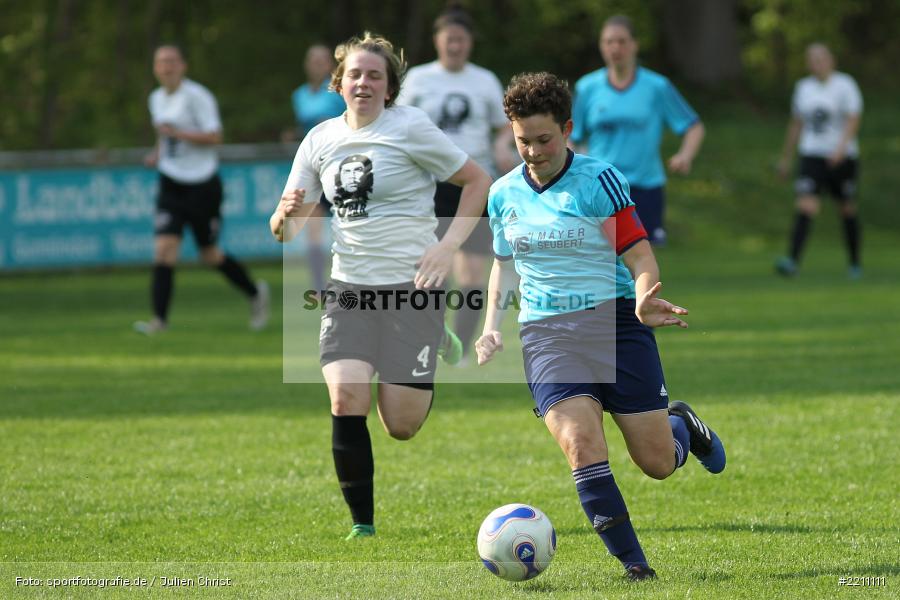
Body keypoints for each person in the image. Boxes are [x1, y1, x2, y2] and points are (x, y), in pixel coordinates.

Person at [475, 72, 725, 581]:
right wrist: (491, 324)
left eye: (544, 140)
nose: (533, 151)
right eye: (523, 140)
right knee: (582, 445)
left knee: (655, 462)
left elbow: (639, 254)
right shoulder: (502, 194)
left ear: (567, 129)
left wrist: (643, 297)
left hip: (615, 322)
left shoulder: (599, 180)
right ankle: (637, 569)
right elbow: (503, 261)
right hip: (547, 333)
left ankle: (684, 427)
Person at [269, 32, 491, 540]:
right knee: (346, 397)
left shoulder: (411, 128)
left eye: (375, 76)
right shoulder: (318, 141)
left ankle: (435, 336)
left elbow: (478, 181)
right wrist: (283, 216)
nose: (364, 83)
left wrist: (447, 246)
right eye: (355, 75)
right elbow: (286, 230)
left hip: (412, 288)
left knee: (401, 425)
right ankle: (362, 525)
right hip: (348, 288)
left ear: (390, 87)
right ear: (338, 82)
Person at [396, 4, 517, 360]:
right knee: (432, 268)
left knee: (474, 271)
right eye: (449, 39)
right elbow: (397, 121)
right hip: (429, 185)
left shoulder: (484, 80)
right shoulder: (418, 79)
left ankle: (462, 350)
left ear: (470, 43)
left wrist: (501, 143)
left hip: (475, 183)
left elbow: (505, 123)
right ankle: (429, 343)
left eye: (461, 40)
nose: (455, 46)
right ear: (437, 41)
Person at [135, 45, 269, 335]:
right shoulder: (156, 98)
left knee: (209, 254)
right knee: (163, 250)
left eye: (172, 61)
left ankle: (255, 293)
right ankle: (159, 321)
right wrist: (157, 154)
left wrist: (179, 134)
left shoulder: (198, 96)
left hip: (202, 185)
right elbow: (164, 136)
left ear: (183, 65)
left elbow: (215, 136)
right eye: (161, 62)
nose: (166, 67)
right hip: (171, 183)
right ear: (155, 68)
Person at [571, 15, 705, 247]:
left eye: (622, 41)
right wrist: (572, 173)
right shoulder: (587, 88)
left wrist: (685, 155)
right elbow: (571, 136)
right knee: (604, 260)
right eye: (609, 41)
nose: (615, 48)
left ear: (634, 44)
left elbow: (694, 126)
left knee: (643, 260)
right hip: (601, 187)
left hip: (645, 187)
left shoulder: (656, 86)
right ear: (602, 46)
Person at [775, 43, 863, 278]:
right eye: (812, 59)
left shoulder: (845, 84)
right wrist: (786, 158)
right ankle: (792, 262)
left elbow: (854, 118)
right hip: (811, 154)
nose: (816, 63)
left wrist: (841, 149)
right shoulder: (803, 87)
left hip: (842, 157)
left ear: (831, 60)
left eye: (821, 58)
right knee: (806, 205)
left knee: (846, 207)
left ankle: (855, 263)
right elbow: (796, 124)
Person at [284, 44, 348, 297]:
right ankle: (320, 287)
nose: (317, 64)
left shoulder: (337, 93)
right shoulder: (299, 94)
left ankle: (351, 281)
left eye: (322, 60)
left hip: (340, 165)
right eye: (313, 60)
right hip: (314, 167)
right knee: (312, 227)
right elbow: (308, 130)